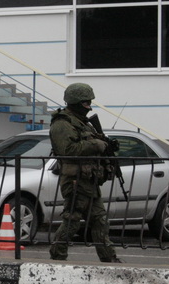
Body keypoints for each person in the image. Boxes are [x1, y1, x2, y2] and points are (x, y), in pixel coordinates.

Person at [49, 83, 122, 263]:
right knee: (72, 219)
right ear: (75, 102)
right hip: (75, 180)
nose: (89, 106)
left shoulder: (83, 123)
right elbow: (68, 150)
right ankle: (57, 255)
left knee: (100, 220)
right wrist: (95, 145)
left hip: (89, 179)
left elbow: (93, 143)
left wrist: (106, 144)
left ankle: (108, 257)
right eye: (85, 102)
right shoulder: (62, 124)